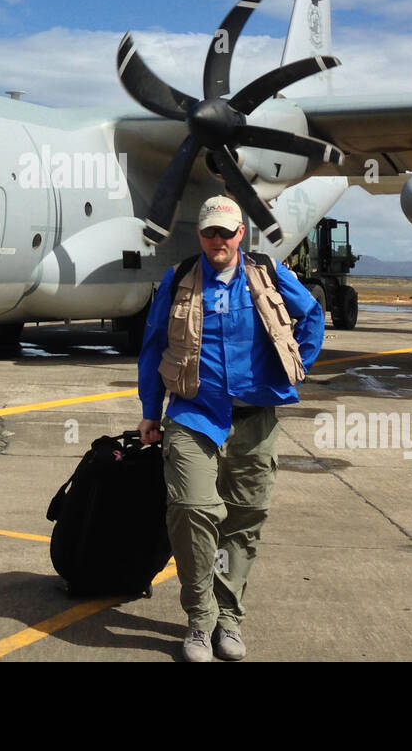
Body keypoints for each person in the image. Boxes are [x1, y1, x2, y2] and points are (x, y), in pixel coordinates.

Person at [137, 195, 324, 662]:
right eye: (209, 232)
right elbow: (153, 344)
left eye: (226, 232)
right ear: (199, 235)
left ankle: (229, 618)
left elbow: (312, 317)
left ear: (242, 234)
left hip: (255, 417)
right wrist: (149, 410)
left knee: (244, 520)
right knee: (192, 511)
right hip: (193, 415)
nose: (218, 240)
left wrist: (294, 365)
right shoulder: (179, 278)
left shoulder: (269, 274)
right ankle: (199, 620)